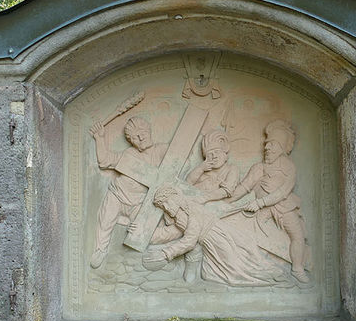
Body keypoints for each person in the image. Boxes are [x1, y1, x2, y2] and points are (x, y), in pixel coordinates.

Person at [225, 119, 311, 283]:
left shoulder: (288, 167)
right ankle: (256, 267)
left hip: (284, 208)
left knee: (298, 236)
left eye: (271, 144)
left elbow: (283, 192)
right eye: (266, 144)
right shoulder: (259, 168)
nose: (266, 148)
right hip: (262, 211)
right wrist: (227, 202)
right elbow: (244, 187)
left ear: (281, 147)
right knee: (250, 234)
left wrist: (260, 203)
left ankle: (297, 269)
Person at [146, 185, 281, 287]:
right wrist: (145, 234)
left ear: (176, 198)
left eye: (166, 203)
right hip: (211, 241)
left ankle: (269, 271)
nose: (166, 208)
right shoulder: (178, 217)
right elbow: (171, 234)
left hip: (218, 232)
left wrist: (167, 253)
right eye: (162, 207)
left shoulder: (191, 208)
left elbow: (190, 239)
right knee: (231, 267)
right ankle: (264, 275)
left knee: (244, 251)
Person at [89, 116, 167, 269]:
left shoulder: (161, 150)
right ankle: (100, 250)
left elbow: (182, 157)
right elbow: (104, 161)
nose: (140, 137)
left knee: (144, 228)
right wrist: (99, 138)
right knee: (105, 220)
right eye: (134, 138)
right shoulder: (129, 154)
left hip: (139, 202)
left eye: (142, 132)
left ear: (149, 130)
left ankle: (154, 254)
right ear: (131, 142)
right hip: (117, 195)